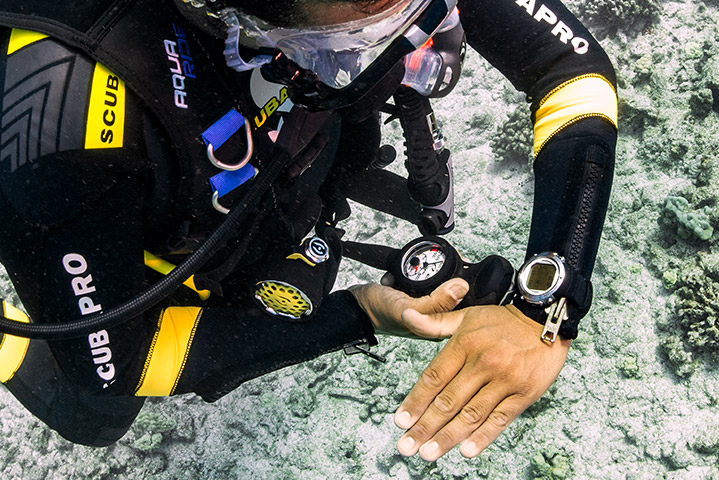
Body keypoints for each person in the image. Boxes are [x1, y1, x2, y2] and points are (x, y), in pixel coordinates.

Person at [0, 0, 617, 463]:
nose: (428, 47)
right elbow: (116, 364)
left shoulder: (341, 11)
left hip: (279, 167)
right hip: (142, 227)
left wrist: (546, 304)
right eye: (366, 31)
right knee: (95, 414)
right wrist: (361, 314)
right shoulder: (65, 117)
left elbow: (568, 68)